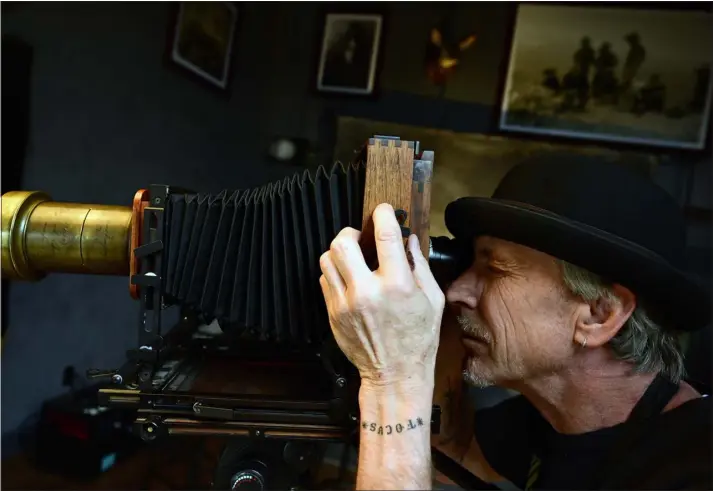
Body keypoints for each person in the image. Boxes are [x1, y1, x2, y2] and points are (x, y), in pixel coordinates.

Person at [319, 156, 711, 490]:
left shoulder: (693, 467)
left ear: (598, 314)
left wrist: (394, 375)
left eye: (494, 268)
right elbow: (441, 446)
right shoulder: (525, 431)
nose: (458, 292)